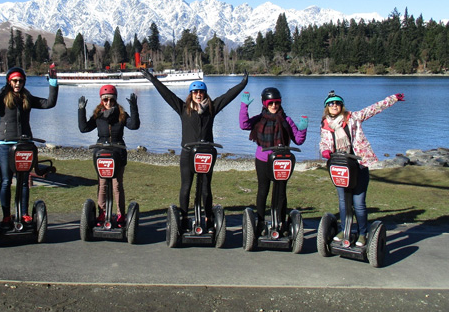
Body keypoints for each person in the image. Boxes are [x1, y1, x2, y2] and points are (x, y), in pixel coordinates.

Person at [141, 69, 248, 231]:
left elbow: (227, 96)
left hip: (206, 153)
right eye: (195, 92)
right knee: (186, 186)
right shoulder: (183, 108)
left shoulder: (212, 108)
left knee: (206, 188)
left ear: (205, 93)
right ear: (191, 94)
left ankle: (209, 218)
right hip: (187, 153)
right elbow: (167, 94)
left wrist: (242, 84)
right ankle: (183, 218)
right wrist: (152, 79)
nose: (198, 94)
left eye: (201, 92)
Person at [0, 64, 58, 226]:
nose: (18, 84)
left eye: (20, 81)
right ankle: (6, 215)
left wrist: (53, 82)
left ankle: (24, 214)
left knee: (23, 181)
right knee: (5, 181)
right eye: (14, 81)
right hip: (5, 145)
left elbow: (49, 103)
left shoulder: (28, 98)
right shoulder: (1, 98)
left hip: (25, 146)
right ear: (9, 82)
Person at [319, 90, 405, 246]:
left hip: (359, 165)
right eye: (331, 103)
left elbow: (374, 108)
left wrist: (393, 99)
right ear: (326, 107)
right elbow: (324, 142)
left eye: (337, 103)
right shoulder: (325, 124)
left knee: (358, 202)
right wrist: (325, 151)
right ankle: (345, 230)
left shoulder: (353, 118)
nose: (334, 105)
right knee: (344, 201)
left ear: (342, 105)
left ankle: (362, 233)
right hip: (340, 167)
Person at [239, 87, 307, 235]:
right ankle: (261, 222)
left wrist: (302, 129)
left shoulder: (286, 120)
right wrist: (244, 106)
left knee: (280, 192)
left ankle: (280, 223)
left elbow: (298, 140)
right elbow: (244, 125)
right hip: (263, 160)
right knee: (263, 190)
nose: (274, 106)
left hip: (282, 161)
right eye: (270, 103)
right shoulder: (259, 119)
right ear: (265, 103)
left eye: (276, 103)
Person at [78, 85, 140, 227]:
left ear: (115, 100)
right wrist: (81, 110)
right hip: (102, 153)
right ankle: (102, 213)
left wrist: (134, 107)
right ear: (101, 100)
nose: (108, 103)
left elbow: (134, 125)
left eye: (111, 100)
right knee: (102, 184)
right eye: (105, 100)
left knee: (117, 184)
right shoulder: (98, 115)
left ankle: (120, 215)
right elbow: (84, 128)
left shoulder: (121, 114)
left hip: (118, 152)